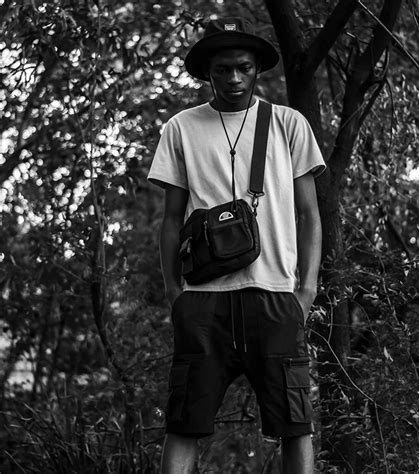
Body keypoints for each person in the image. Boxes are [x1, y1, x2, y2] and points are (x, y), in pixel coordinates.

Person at [147, 17, 326, 474]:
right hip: (204, 301)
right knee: (183, 423)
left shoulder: (288, 123)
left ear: (257, 69)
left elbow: (309, 214)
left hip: (274, 296)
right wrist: (175, 293)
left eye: (243, 67)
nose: (234, 78)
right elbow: (171, 219)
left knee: (295, 425)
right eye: (223, 69)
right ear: (208, 72)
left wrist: (306, 291)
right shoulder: (181, 128)